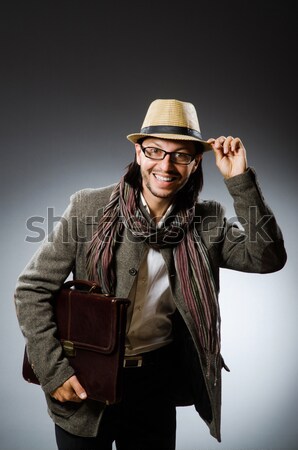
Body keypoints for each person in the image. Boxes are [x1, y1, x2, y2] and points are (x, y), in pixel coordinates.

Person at [14, 98, 287, 450]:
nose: (166, 164)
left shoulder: (209, 221)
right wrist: (54, 373)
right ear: (139, 154)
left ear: (195, 163)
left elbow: (267, 257)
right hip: (84, 379)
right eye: (155, 151)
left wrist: (240, 181)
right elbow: (31, 288)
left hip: (155, 385)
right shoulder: (89, 207)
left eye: (181, 155)